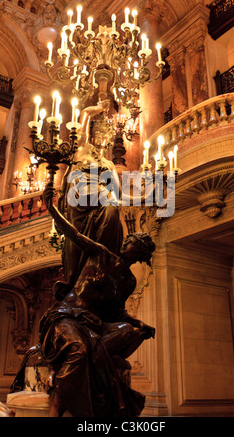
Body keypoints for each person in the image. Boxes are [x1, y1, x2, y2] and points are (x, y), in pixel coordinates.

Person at [39, 184, 156, 417]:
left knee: (127, 330)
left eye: (135, 244)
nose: (128, 243)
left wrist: (138, 324)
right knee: (79, 351)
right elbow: (73, 234)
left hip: (93, 323)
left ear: (140, 255)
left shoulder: (128, 281)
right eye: (130, 240)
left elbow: (117, 313)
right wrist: (51, 209)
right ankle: (62, 409)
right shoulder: (101, 253)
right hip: (67, 316)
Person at [56, 100, 123, 298]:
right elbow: (84, 120)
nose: (102, 136)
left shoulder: (109, 163)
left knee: (112, 208)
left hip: (101, 200)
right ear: (93, 135)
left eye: (106, 134)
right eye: (99, 132)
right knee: (76, 240)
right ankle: (73, 277)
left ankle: (102, 260)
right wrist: (95, 110)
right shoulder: (82, 148)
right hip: (80, 200)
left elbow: (117, 193)